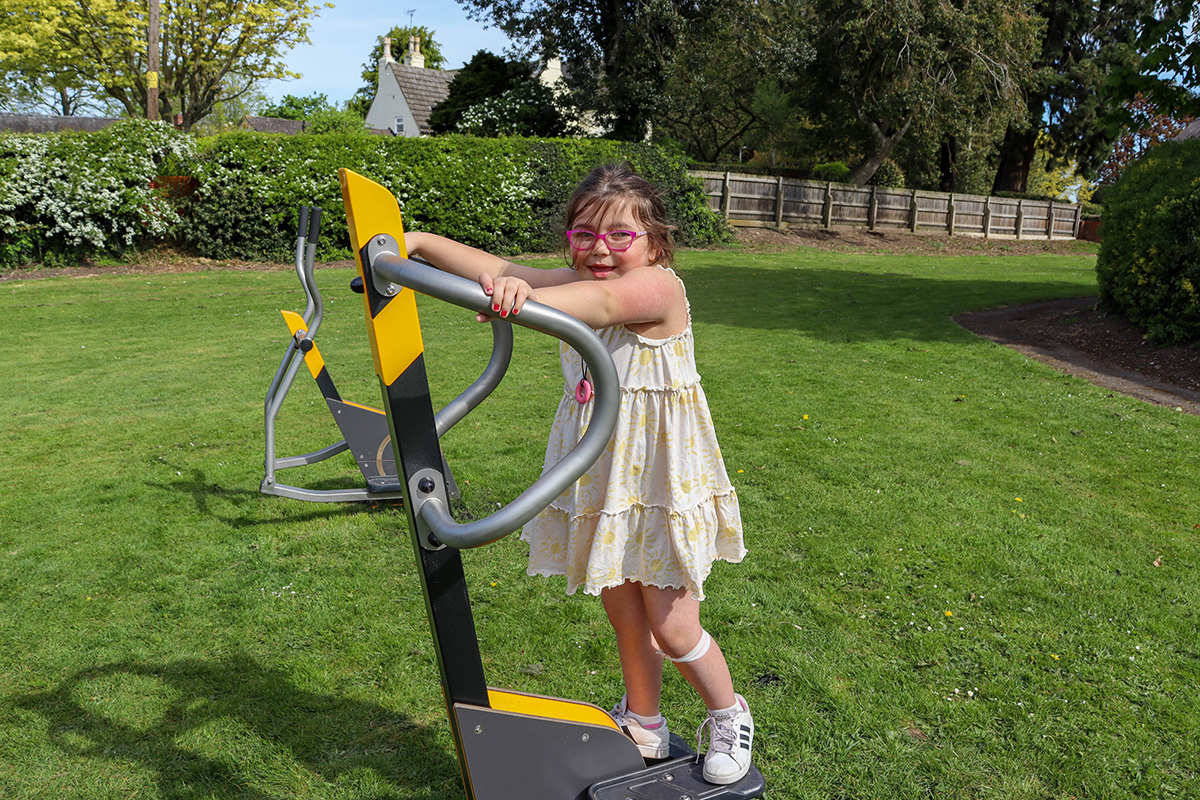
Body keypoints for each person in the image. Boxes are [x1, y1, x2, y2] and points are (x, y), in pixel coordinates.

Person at [404, 163, 753, 785]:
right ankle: (643, 721)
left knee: (673, 625)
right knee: (622, 608)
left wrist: (524, 300)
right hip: (604, 472)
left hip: (659, 482)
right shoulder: (576, 279)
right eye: (583, 235)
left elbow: (604, 303)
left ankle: (728, 714)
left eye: (620, 236)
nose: (600, 249)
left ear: (655, 243)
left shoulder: (658, 288)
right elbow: (507, 269)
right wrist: (416, 244)